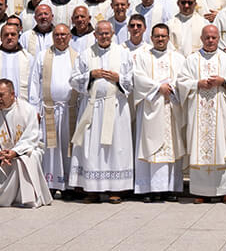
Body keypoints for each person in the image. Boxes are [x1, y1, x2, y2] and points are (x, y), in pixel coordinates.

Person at [70, 18, 135, 202]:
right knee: (92, 148)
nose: (104, 36)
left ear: (113, 34)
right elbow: (73, 80)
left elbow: (131, 80)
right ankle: (91, 189)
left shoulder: (123, 54)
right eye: (101, 33)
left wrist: (118, 78)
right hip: (92, 107)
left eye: (107, 33)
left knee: (115, 147)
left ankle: (116, 190)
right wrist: (90, 75)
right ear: (95, 35)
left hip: (115, 108)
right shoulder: (85, 54)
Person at [178, 24, 226, 202]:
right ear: (201, 39)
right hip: (198, 113)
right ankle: (200, 192)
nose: (211, 40)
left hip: (221, 114)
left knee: (223, 147)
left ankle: (224, 191)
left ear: (218, 39)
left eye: (214, 37)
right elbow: (181, 82)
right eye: (207, 37)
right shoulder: (192, 60)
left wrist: (223, 81)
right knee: (199, 147)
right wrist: (196, 84)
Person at [129, 21, 183, 200]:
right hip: (151, 109)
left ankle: (169, 188)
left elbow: (183, 78)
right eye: (157, 36)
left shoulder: (177, 57)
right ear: (151, 38)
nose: (160, 39)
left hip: (170, 108)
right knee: (150, 147)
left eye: (163, 36)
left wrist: (172, 87)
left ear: (168, 38)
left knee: (171, 147)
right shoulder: (143, 57)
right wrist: (158, 87)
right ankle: (150, 189)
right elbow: (138, 78)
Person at [0, 78, 52, 207]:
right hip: (2, 156)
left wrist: (15, 152)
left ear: (12, 94)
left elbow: (32, 136)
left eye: (2, 95)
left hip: (23, 151)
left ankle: (27, 198)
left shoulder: (27, 110)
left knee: (29, 158)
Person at [35, 21, 78, 194]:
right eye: (57, 35)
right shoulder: (42, 56)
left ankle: (68, 185)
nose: (60, 38)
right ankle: (50, 183)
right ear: (53, 37)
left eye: (63, 35)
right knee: (50, 147)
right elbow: (34, 83)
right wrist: (35, 109)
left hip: (70, 109)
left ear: (70, 37)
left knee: (68, 147)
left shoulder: (77, 56)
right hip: (49, 109)